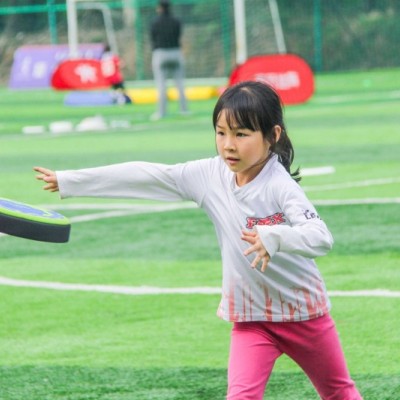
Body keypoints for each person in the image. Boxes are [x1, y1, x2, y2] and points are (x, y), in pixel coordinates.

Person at [34, 81, 362, 400]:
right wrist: (70, 181)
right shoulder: (210, 176)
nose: (228, 145)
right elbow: (148, 175)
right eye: (221, 133)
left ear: (272, 136)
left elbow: (320, 237)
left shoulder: (281, 186)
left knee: (338, 393)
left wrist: (273, 236)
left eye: (241, 134)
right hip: (253, 321)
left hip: (304, 317)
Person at [149, 0, 189, 120]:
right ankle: (184, 110)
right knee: (180, 84)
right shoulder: (176, 21)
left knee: (161, 85)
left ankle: (161, 112)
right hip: (176, 52)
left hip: (160, 53)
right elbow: (179, 35)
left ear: (160, 8)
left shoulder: (155, 22)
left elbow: (152, 38)